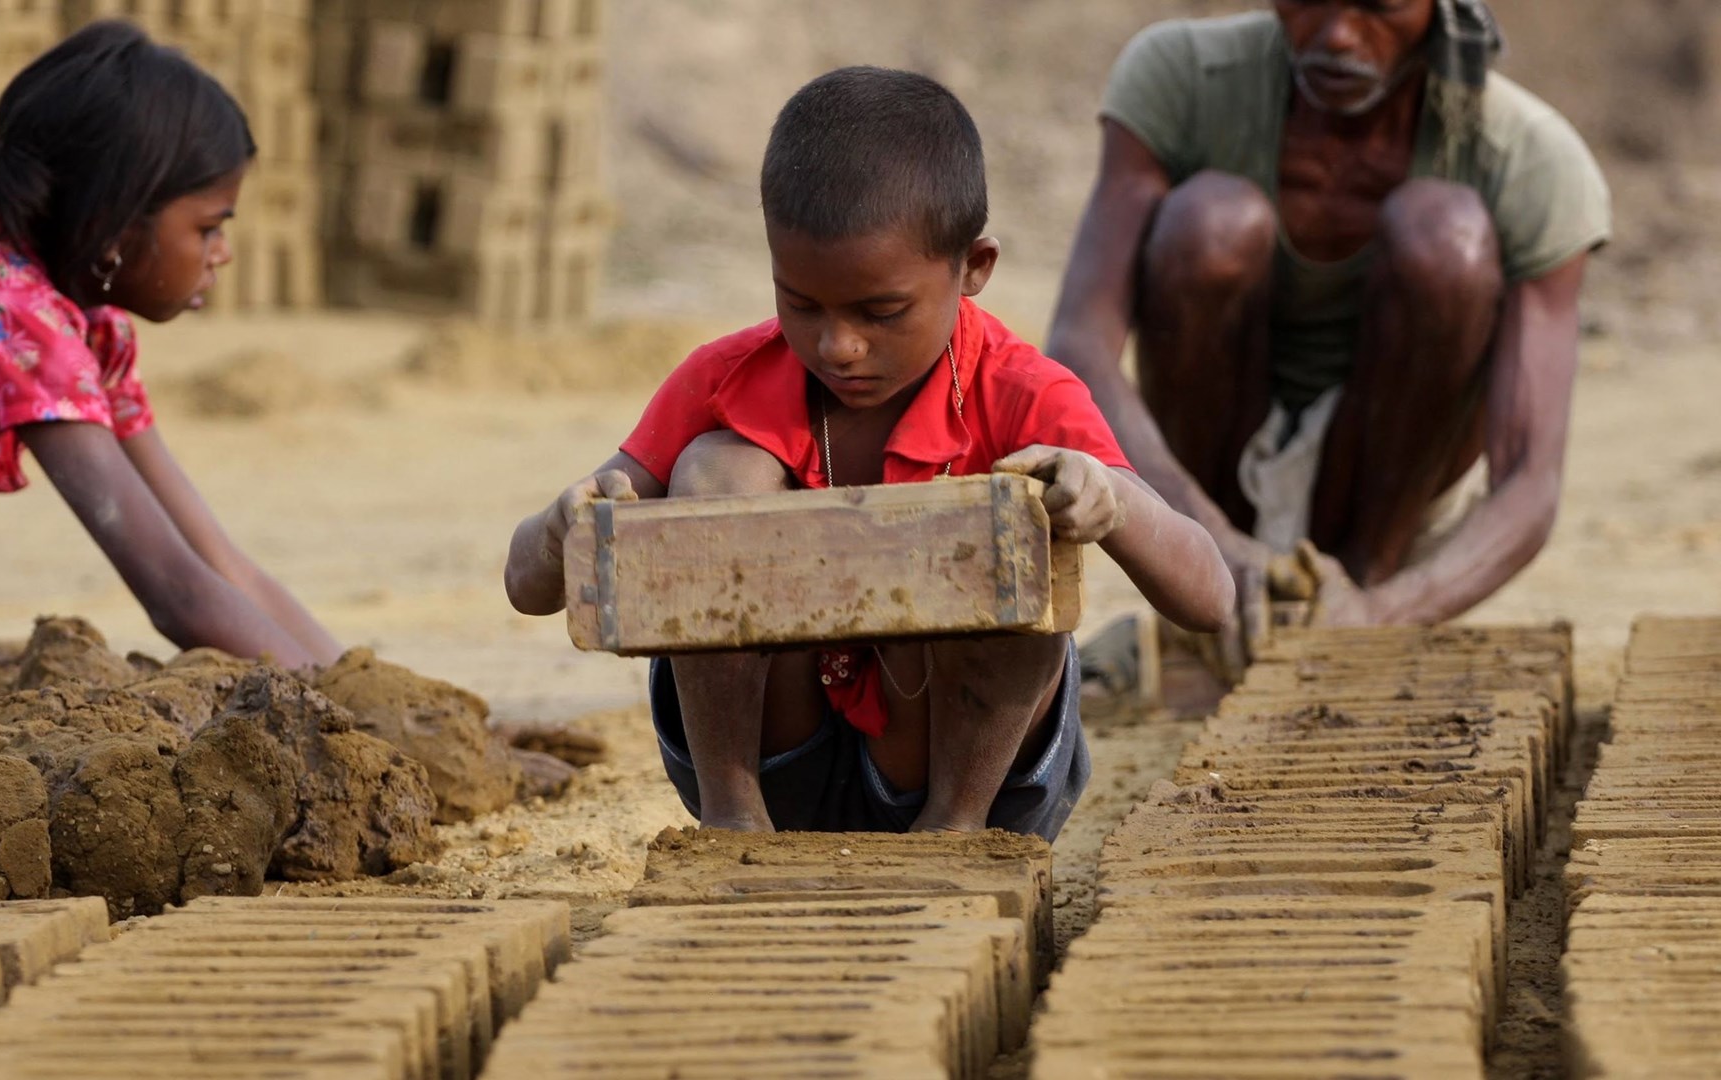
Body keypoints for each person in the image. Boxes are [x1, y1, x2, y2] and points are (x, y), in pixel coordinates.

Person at [505, 67, 1232, 839]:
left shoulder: (1023, 392)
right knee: (719, 471)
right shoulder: (728, 378)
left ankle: (952, 833)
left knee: (1016, 510)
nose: (837, 345)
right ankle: (733, 814)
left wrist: (1106, 504)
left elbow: (1210, 600)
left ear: (973, 268)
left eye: (881, 312)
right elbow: (527, 584)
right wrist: (563, 532)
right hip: (784, 756)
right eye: (800, 303)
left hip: (958, 768)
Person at [1046, 0, 1610, 648]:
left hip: (1393, 495)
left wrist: (1380, 612)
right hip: (1208, 476)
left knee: (1445, 237)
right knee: (1212, 222)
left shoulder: (1527, 157)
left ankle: (1362, 580)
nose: (1338, 35)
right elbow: (1080, 350)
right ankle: (1218, 600)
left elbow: (1529, 481)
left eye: (1381, 6)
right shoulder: (1183, 76)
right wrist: (1210, 547)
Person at [0, 21, 340, 669]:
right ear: (113, 224)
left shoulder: (84, 332)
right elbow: (176, 592)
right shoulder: (12, 320)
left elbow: (219, 565)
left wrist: (368, 697)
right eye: (208, 227)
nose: (222, 254)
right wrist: (339, 726)